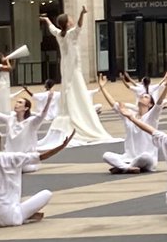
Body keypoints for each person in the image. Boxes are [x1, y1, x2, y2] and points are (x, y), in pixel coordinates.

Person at [42, 8, 116, 145]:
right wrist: (82, 14)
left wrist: (47, 20)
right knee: (76, 89)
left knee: (68, 89)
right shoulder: (71, 34)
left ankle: (71, 111)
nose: (72, 20)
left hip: (65, 66)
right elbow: (79, 25)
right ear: (68, 23)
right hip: (74, 67)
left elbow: (52, 28)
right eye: (70, 18)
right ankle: (78, 113)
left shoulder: (60, 34)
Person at [98, 74, 167, 173]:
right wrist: (102, 87)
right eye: (142, 96)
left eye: (146, 97)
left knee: (145, 157)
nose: (142, 97)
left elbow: (159, 103)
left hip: (148, 160)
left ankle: (123, 167)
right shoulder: (129, 114)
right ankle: (127, 167)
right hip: (129, 158)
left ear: (150, 104)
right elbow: (113, 104)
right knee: (106, 155)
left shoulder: (151, 116)